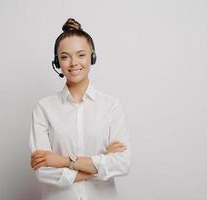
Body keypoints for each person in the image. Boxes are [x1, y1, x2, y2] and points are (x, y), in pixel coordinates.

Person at [29, 18, 132, 200]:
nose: (74, 62)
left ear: (92, 56)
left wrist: (63, 161)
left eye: (81, 54)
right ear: (57, 62)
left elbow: (122, 164)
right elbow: (44, 171)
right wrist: (101, 160)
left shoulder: (111, 106)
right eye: (65, 56)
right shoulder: (43, 108)